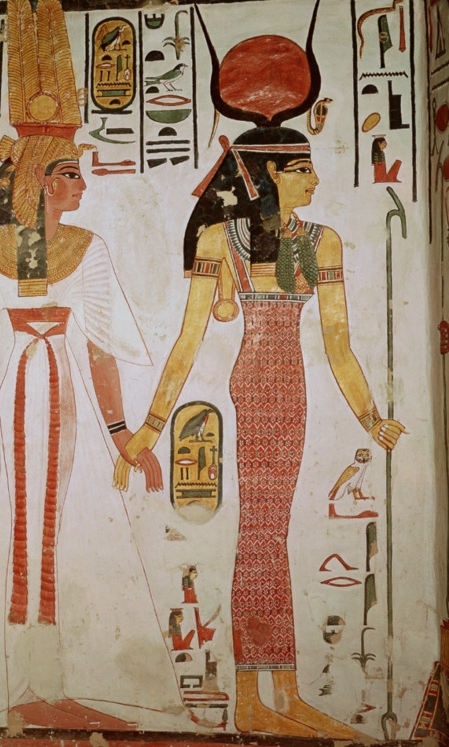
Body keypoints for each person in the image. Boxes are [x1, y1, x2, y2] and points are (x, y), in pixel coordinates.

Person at [114, 19, 406, 738]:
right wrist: (149, 426)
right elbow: (187, 341)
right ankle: (264, 697)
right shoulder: (222, 239)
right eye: (302, 168)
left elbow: (338, 344)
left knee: (267, 533)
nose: (314, 179)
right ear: (272, 172)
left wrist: (371, 418)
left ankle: (273, 692)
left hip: (290, 385)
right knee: (262, 535)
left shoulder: (321, 241)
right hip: (257, 381)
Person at [0, 0, 180, 727]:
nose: (83, 186)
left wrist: (121, 433)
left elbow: (100, 349)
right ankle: (27, 685)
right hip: (25, 394)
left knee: (59, 526)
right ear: (44, 179)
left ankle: (51, 681)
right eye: (73, 174)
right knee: (27, 524)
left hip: (62, 395)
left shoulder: (85, 249)